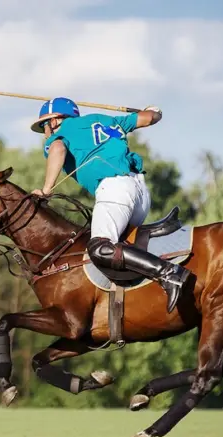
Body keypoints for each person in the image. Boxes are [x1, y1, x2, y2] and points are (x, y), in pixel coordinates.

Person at [30, 97, 190, 313]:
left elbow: (58, 148)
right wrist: (154, 110)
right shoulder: (107, 120)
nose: (45, 132)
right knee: (120, 248)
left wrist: (46, 189)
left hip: (115, 190)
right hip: (140, 192)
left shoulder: (60, 134)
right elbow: (150, 118)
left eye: (44, 125)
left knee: (99, 248)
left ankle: (169, 273)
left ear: (56, 120)